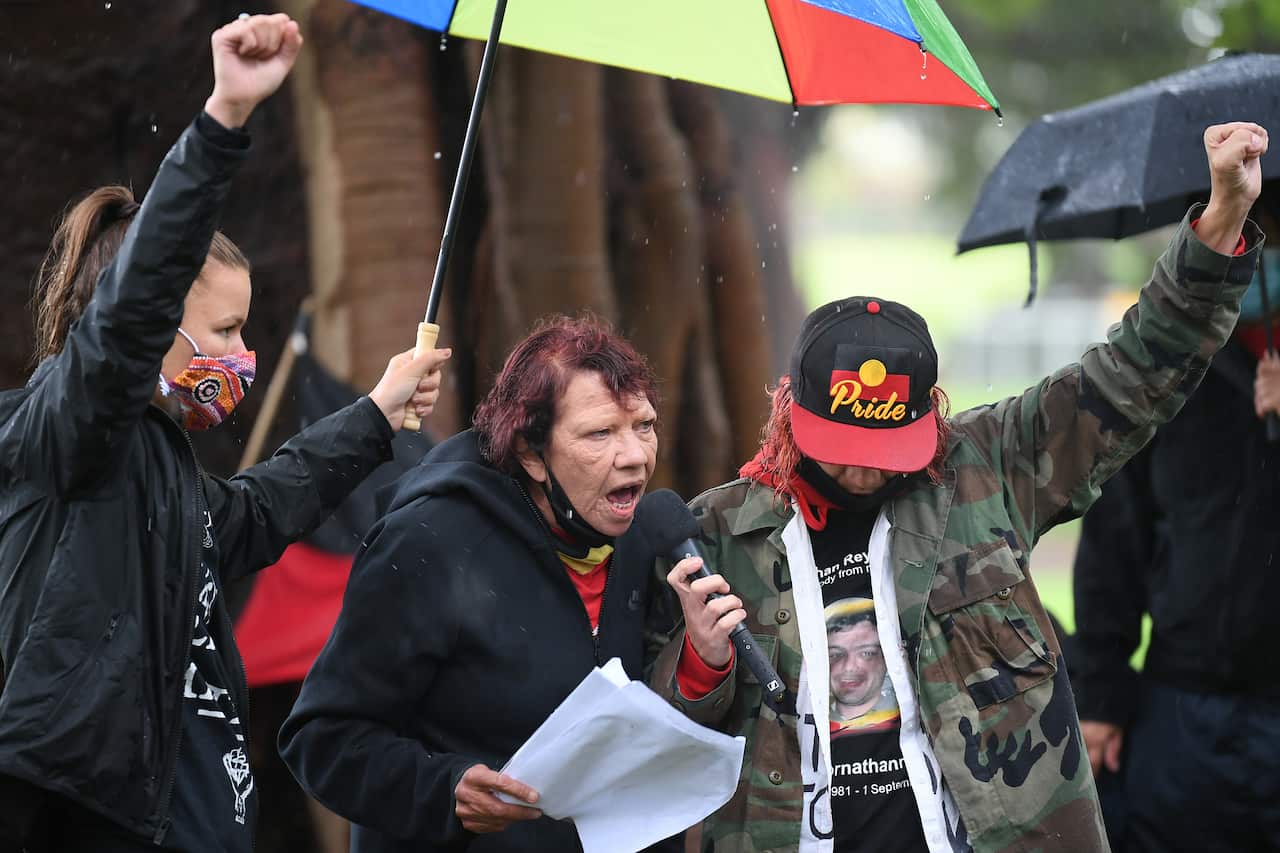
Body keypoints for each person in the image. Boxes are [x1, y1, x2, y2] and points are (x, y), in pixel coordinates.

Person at [653, 122, 1268, 853]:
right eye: (844, 451)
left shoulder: (986, 466)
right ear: (790, 413)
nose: (865, 472)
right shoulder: (715, 531)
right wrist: (701, 661)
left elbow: (1134, 373)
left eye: (887, 450)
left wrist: (1223, 213)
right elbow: (664, 749)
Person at [0, 14, 449, 853]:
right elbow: (129, 309)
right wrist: (222, 122)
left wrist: (377, 415)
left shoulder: (166, 481)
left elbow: (254, 509)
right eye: (228, 330)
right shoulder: (74, 430)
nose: (245, 355)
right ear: (151, 328)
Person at [279, 315, 740, 853]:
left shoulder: (643, 536)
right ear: (529, 453)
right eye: (600, 433)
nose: (635, 454)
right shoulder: (429, 542)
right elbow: (321, 739)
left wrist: (703, 660)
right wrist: (444, 788)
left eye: (643, 425)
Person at [1071, 195, 1280, 853]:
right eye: (1237, 233)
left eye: (1266, 233)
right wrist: (1101, 692)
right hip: (1184, 708)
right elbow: (1114, 538)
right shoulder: (1166, 366)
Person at [826, 600, 895, 732]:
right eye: (835, 654)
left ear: (887, 659)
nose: (849, 667)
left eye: (866, 653)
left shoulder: (910, 719)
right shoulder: (807, 726)